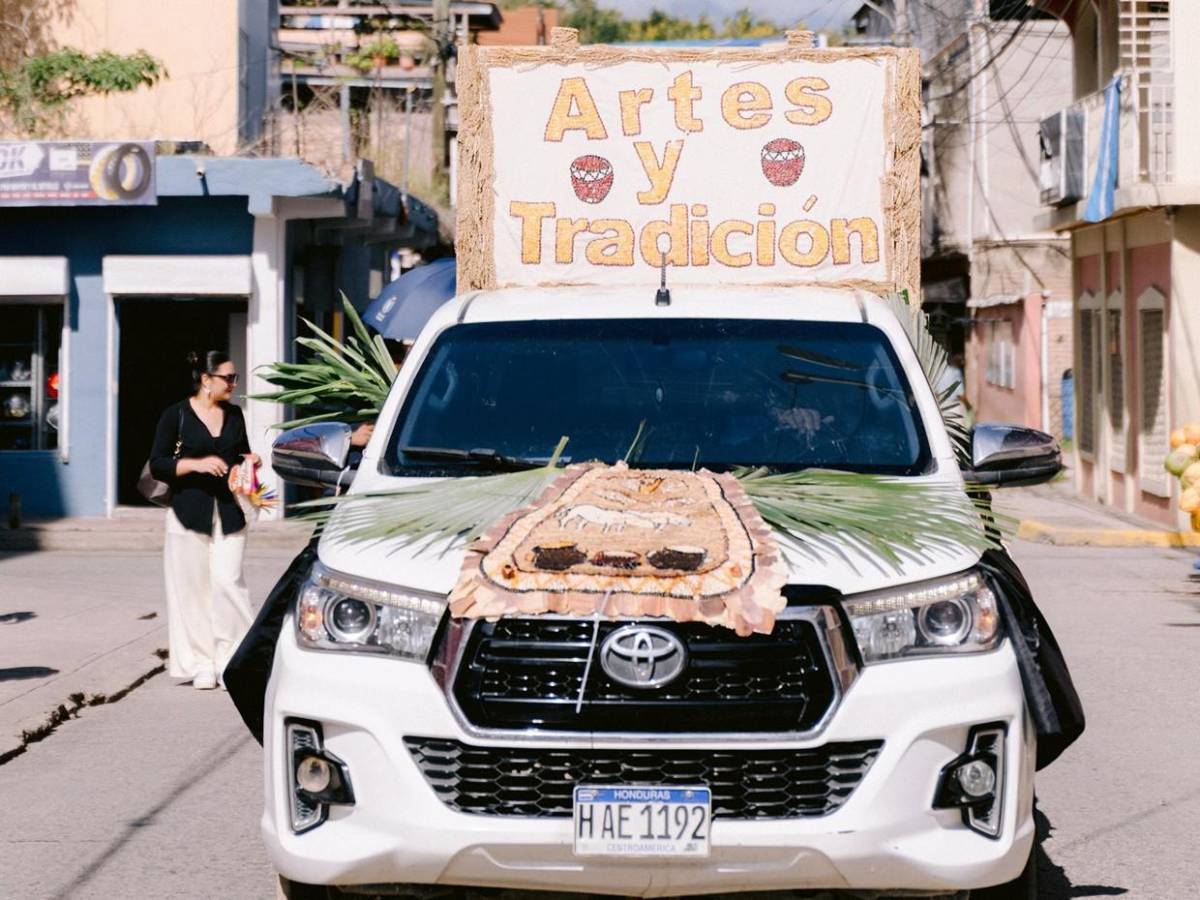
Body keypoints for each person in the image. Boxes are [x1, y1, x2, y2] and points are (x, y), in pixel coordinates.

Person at [149, 351, 259, 690]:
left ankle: (232, 660)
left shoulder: (235, 414)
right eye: (228, 378)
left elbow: (242, 452)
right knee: (191, 590)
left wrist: (251, 461)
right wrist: (196, 465)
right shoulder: (176, 415)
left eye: (235, 377)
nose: (234, 383)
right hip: (187, 512)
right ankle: (202, 663)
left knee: (228, 582)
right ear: (206, 379)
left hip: (229, 510)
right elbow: (158, 464)